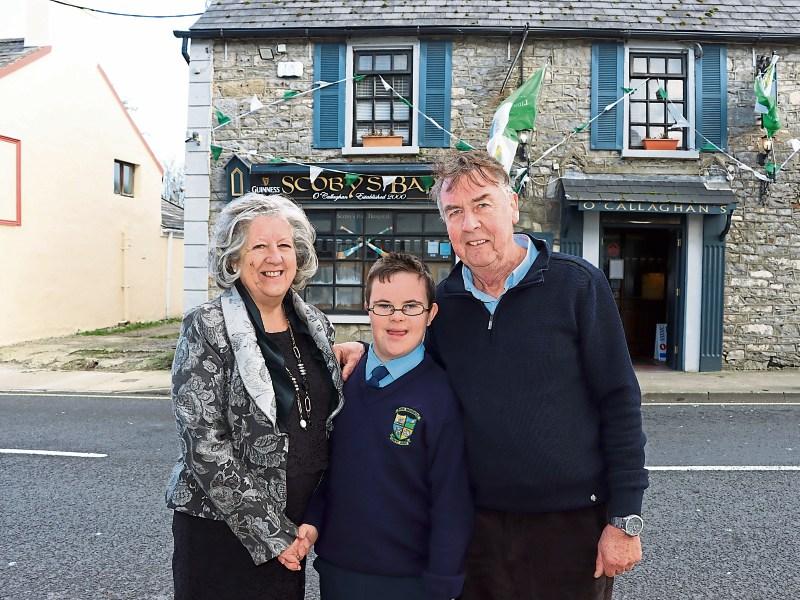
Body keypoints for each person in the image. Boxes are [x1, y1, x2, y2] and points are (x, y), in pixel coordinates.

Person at [337, 150, 648, 600]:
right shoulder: (444, 303)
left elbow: (619, 401)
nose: (470, 224)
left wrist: (624, 520)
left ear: (513, 205)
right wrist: (365, 353)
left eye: (482, 204)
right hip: (476, 528)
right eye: (454, 212)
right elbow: (413, 365)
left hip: (571, 526)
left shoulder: (577, 286)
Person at [165, 193, 345, 600]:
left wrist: (306, 521)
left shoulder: (315, 324)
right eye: (259, 246)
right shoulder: (207, 326)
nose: (274, 257)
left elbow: (323, 418)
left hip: (295, 525)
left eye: (283, 245)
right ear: (233, 260)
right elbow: (204, 444)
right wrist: (272, 533)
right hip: (221, 530)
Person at [301, 252, 473, 600]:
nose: (397, 317)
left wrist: (444, 580)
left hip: (408, 580)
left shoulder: (441, 397)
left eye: (411, 306)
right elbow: (327, 469)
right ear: (368, 308)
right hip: (339, 569)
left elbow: (451, 501)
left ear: (430, 314)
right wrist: (312, 521)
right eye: (384, 305)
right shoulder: (341, 381)